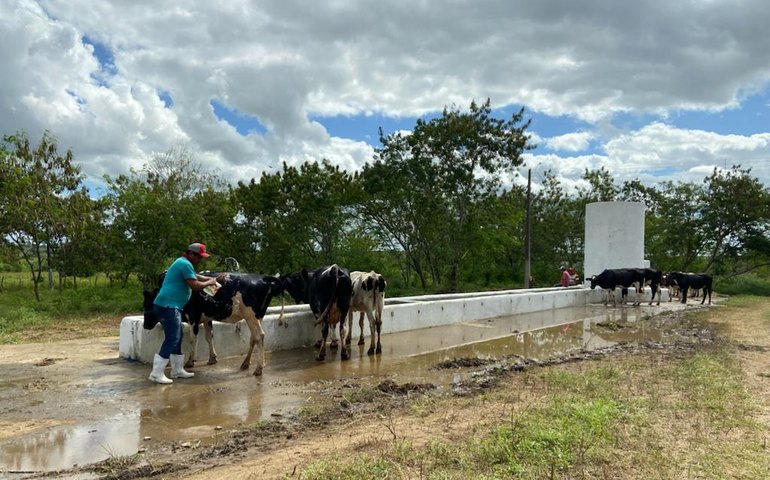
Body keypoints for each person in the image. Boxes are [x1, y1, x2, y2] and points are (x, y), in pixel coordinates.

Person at [149, 243, 223, 384]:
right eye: (199, 257)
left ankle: (177, 370)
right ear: (191, 254)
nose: (200, 260)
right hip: (168, 306)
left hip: (169, 306)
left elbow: (195, 276)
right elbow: (195, 285)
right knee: (173, 337)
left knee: (178, 335)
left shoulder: (183, 262)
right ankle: (156, 373)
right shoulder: (185, 264)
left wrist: (212, 279)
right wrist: (210, 282)